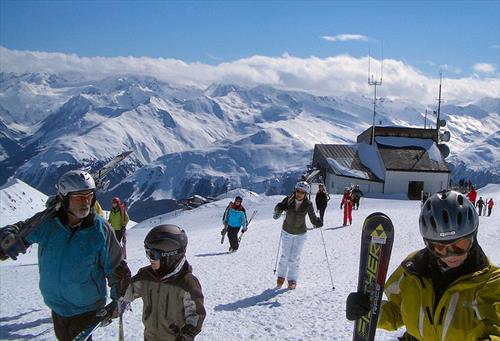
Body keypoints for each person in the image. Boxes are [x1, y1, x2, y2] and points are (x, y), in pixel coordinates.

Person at [346, 190, 500, 340]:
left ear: (473, 237)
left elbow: (495, 329)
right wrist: (367, 311)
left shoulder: (491, 283)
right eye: (439, 248)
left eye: (460, 244)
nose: (451, 254)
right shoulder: (413, 271)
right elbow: (397, 312)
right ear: (428, 245)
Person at [0, 170, 131, 341]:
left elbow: (115, 267)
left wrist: (119, 295)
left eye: (89, 196)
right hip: (57, 307)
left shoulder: (100, 230)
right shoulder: (47, 223)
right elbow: (23, 231)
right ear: (65, 198)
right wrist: (8, 237)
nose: (85, 202)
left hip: (86, 309)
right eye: (78, 197)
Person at [123, 224, 206, 340]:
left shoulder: (187, 283)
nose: (149, 259)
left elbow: (196, 314)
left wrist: (187, 335)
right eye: (147, 253)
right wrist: (121, 280)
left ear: (169, 256)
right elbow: (125, 295)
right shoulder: (146, 276)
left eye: (153, 254)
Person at [273, 181, 323, 289]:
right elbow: (275, 216)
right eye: (298, 191)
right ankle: (280, 278)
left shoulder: (308, 204)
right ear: (295, 191)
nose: (299, 193)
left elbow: (313, 218)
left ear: (306, 194)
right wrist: (278, 208)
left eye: (302, 192)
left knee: (294, 258)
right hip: (287, 231)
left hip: (300, 234)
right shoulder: (288, 200)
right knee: (285, 256)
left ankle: (292, 280)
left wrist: (318, 222)